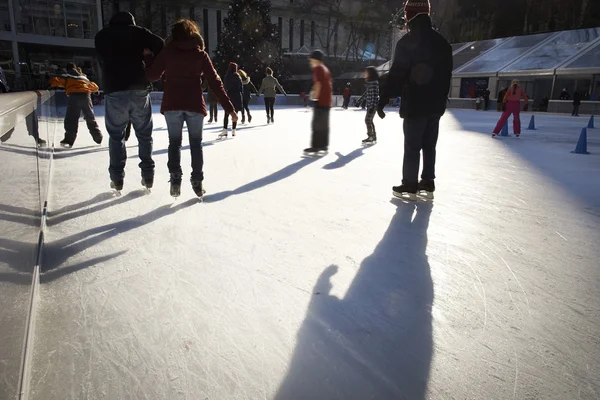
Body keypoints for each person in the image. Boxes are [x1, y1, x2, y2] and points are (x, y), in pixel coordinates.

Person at [145, 19, 235, 198]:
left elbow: (152, 75)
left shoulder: (168, 52)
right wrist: (229, 108)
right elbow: (215, 81)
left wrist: (148, 57)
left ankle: (175, 179)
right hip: (194, 104)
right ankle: (197, 181)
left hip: (172, 104)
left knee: (174, 143)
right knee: (195, 144)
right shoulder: (200, 54)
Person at [377, 0, 453, 201]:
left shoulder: (408, 42)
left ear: (410, 15)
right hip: (435, 106)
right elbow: (447, 76)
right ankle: (428, 181)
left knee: (412, 146)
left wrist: (384, 98)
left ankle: (410, 184)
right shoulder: (443, 44)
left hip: (415, 105)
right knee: (429, 145)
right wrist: (441, 101)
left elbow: (397, 75)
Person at [95, 11, 164, 193]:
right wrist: (147, 56)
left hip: (115, 88)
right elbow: (161, 45)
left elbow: (101, 58)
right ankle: (148, 176)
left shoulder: (102, 35)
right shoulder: (139, 33)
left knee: (116, 136)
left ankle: (117, 179)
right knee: (144, 134)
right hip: (139, 87)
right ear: (131, 21)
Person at [49, 63, 103, 148]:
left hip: (74, 97)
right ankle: (98, 137)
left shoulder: (67, 76)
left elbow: (56, 82)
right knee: (90, 117)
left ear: (67, 69)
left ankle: (69, 140)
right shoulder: (83, 77)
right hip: (86, 96)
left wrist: (50, 79)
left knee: (71, 119)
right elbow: (95, 87)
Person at [303, 50, 332, 155]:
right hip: (327, 101)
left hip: (321, 101)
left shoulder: (318, 69)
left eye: (311, 60)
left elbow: (318, 85)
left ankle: (315, 146)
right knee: (324, 124)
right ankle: (324, 145)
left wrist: (313, 98)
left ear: (316, 59)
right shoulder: (326, 69)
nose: (311, 62)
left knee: (316, 124)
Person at [219, 62, 243, 138]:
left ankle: (225, 130)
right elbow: (241, 88)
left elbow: (225, 87)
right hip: (237, 96)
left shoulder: (227, 76)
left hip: (229, 95)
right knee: (235, 113)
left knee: (226, 113)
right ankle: (233, 130)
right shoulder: (238, 77)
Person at [360, 66, 380, 145]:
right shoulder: (370, 82)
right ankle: (373, 136)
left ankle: (371, 136)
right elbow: (366, 93)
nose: (365, 73)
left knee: (367, 120)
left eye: (366, 72)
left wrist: (372, 106)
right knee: (369, 120)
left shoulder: (374, 82)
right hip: (370, 104)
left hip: (372, 105)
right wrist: (360, 101)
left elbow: (375, 95)